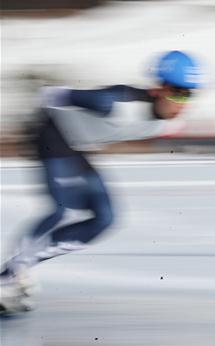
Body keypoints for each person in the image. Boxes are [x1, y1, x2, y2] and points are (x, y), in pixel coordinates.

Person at [0, 50, 204, 314]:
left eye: (189, 95)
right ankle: (8, 276)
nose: (182, 102)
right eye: (177, 92)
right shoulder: (116, 103)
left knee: (105, 218)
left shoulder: (169, 123)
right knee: (63, 210)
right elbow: (51, 94)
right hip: (51, 133)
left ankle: (16, 270)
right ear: (157, 89)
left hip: (76, 146)